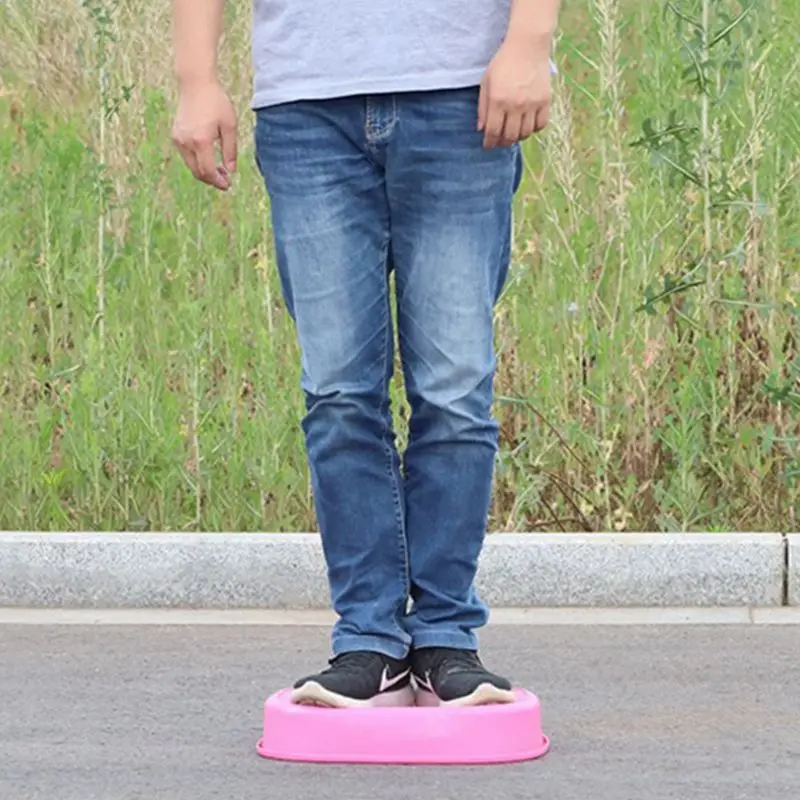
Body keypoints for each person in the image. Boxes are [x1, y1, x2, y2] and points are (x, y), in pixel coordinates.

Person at [171, 0, 560, 709]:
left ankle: (445, 637)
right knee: (339, 393)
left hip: (462, 91)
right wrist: (196, 79)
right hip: (306, 104)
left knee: (454, 390)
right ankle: (369, 640)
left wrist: (530, 40)